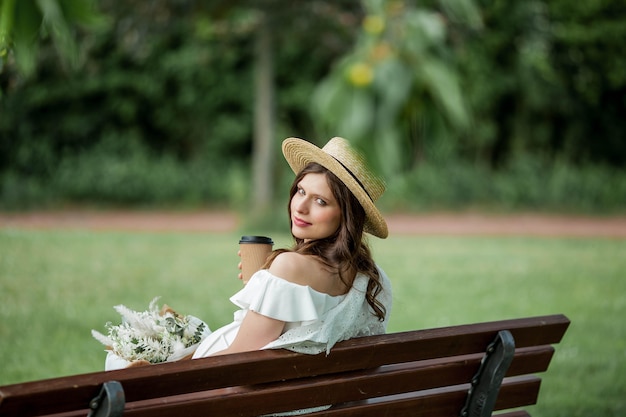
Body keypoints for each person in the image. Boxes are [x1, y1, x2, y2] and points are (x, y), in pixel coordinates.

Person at [191, 136, 392, 359]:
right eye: (301, 191)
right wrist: (264, 286)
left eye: (320, 201)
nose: (301, 207)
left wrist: (174, 367)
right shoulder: (372, 278)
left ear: (347, 216)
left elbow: (238, 359)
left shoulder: (289, 266)